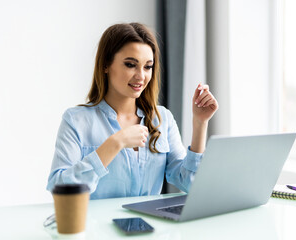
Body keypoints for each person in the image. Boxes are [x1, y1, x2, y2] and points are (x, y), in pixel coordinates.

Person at [46, 22, 218, 199]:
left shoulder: (162, 118)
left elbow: (190, 183)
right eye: (130, 64)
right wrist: (115, 143)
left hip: (150, 225)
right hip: (98, 226)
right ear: (106, 65)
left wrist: (200, 123)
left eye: (147, 66)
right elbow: (59, 188)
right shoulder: (76, 120)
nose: (141, 76)